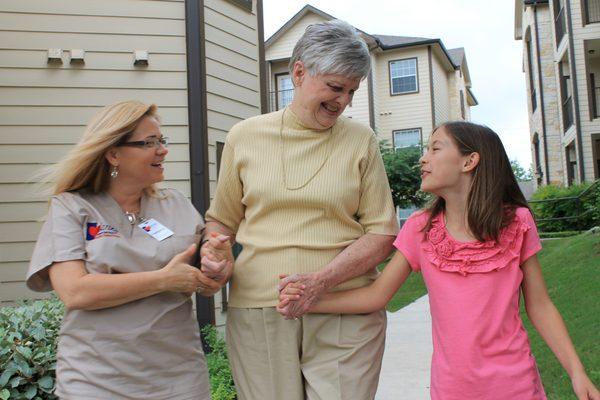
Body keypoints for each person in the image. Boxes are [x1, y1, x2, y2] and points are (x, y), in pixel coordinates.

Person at [279, 121, 600, 400]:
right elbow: (377, 295)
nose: (423, 158)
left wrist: (576, 372)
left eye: (435, 149)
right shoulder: (420, 228)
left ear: (469, 161)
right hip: (452, 389)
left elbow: (539, 305)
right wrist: (309, 299)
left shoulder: (516, 223)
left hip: (514, 384)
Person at [203, 20, 398, 400]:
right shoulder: (244, 136)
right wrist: (216, 254)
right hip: (261, 308)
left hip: (345, 307)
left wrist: (320, 281)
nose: (343, 101)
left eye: (352, 91)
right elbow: (222, 220)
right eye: (335, 87)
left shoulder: (361, 140)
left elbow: (382, 232)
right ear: (298, 72)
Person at [26, 100, 232, 400]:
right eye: (149, 142)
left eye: (162, 140)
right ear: (113, 154)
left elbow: (206, 279)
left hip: (179, 378)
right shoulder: (72, 207)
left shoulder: (174, 204)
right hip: (97, 380)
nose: (162, 150)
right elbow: (75, 291)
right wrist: (164, 279)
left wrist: (218, 264)